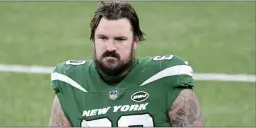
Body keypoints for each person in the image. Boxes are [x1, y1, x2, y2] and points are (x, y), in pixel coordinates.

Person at [49, 1, 204, 127]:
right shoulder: (72, 85)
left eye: (120, 39)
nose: (110, 47)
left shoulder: (165, 78)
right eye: (103, 38)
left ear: (135, 41)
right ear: (93, 38)